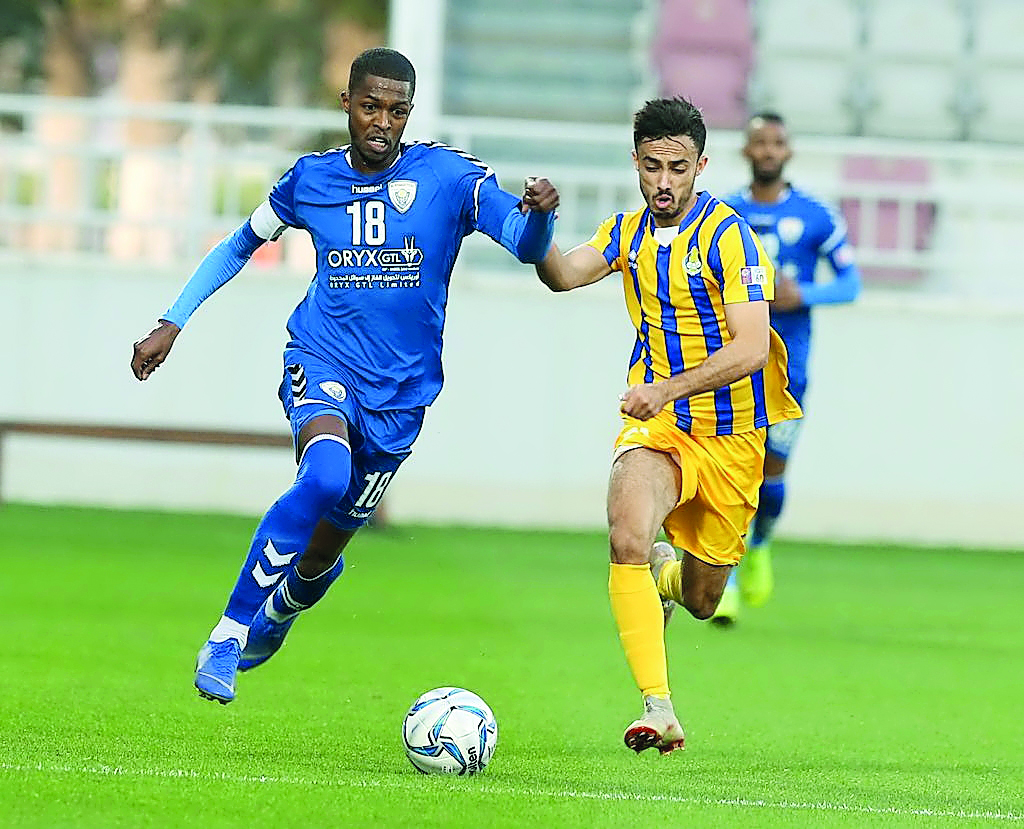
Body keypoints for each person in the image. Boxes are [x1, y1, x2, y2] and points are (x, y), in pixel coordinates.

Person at [131, 47, 559, 705]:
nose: (381, 121)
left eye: (396, 110)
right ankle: (226, 631)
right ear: (347, 104)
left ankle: (285, 605)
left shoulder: (448, 177)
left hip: (402, 394)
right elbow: (240, 242)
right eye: (370, 106)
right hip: (322, 358)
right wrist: (173, 318)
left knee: (324, 552)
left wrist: (540, 216)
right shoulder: (311, 180)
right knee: (324, 475)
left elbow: (525, 245)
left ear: (408, 113)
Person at [533, 97, 801, 753]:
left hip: (734, 438)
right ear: (636, 162)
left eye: (677, 167)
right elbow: (563, 275)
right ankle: (659, 707)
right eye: (651, 166)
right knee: (626, 530)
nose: (662, 181)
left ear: (700, 165)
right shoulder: (624, 231)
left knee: (705, 596)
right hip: (661, 430)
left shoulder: (729, 235)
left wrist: (669, 386)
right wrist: (537, 231)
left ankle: (667, 575)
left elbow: (750, 345)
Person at [714, 112, 861, 624]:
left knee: (772, 476)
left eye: (777, 142)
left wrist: (806, 293)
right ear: (747, 151)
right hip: (735, 365)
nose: (769, 151)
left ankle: (761, 547)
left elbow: (851, 284)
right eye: (760, 143)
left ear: (789, 151)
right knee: (735, 471)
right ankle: (727, 575)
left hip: (789, 371)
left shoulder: (816, 217)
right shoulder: (725, 212)